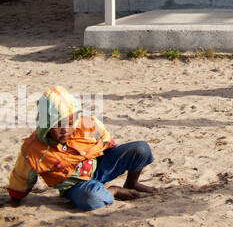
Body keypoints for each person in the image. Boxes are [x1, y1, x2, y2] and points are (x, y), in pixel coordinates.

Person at [7, 85, 157, 211]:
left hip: (99, 167)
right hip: (77, 186)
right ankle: (113, 191)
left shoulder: (87, 125)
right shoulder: (33, 150)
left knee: (141, 149)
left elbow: (107, 143)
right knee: (92, 198)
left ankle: (131, 183)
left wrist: (116, 156)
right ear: (46, 124)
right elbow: (21, 177)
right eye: (58, 125)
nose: (65, 130)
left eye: (70, 123)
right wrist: (16, 197)